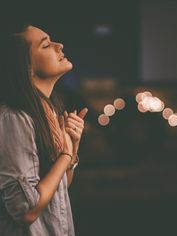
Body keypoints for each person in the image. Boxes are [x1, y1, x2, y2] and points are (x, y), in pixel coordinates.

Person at [0, 24, 88, 236]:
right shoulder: (14, 118)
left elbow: (60, 187)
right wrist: (65, 155)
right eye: (46, 45)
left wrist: (72, 148)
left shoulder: (47, 110)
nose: (59, 46)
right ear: (25, 65)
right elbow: (26, 210)